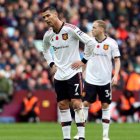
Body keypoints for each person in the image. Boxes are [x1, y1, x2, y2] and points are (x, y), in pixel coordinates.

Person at [41, 6, 94, 140]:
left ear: (55, 14)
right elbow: (45, 50)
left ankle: (81, 137)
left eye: (48, 16)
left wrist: (84, 60)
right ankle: (66, 138)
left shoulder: (70, 29)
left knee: (76, 103)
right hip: (59, 75)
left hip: (73, 73)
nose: (46, 19)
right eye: (44, 17)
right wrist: (51, 64)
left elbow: (90, 42)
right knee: (62, 105)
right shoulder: (48, 35)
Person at [72, 20, 121, 140]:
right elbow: (85, 58)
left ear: (101, 29)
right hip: (90, 79)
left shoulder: (112, 43)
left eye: (94, 28)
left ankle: (105, 136)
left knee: (105, 105)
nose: (92, 30)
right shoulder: (89, 42)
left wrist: (116, 75)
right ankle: (81, 134)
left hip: (105, 81)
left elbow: (117, 60)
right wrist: (83, 71)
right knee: (85, 104)